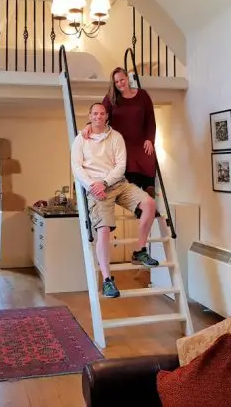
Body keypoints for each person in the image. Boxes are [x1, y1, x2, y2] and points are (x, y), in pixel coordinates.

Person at [71, 102, 159, 298]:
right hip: (96, 189)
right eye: (95, 113)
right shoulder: (80, 140)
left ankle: (139, 250)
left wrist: (105, 181)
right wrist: (94, 185)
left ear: (106, 116)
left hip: (118, 183)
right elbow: (77, 168)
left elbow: (121, 166)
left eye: (102, 113)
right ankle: (107, 280)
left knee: (150, 204)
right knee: (103, 230)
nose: (98, 116)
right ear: (90, 115)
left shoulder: (116, 137)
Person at [82, 67, 157, 197]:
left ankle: (151, 212)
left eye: (121, 80)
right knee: (133, 188)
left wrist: (150, 139)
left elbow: (150, 119)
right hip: (122, 147)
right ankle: (144, 212)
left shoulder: (143, 95)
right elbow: (100, 115)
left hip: (142, 145)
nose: (120, 84)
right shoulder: (111, 98)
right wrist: (89, 125)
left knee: (149, 185)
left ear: (127, 78)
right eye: (116, 82)